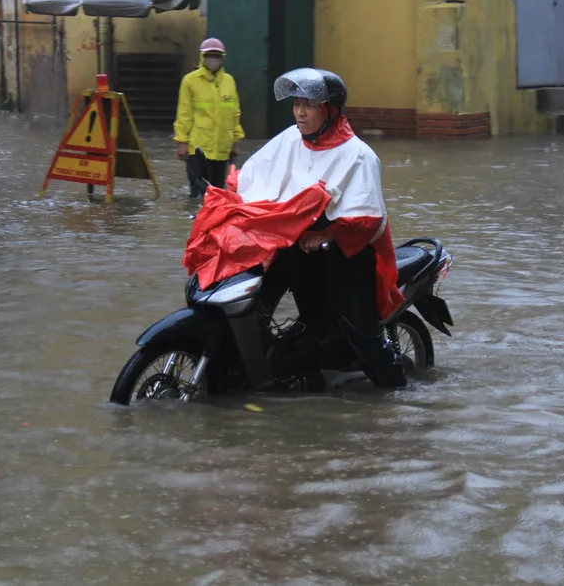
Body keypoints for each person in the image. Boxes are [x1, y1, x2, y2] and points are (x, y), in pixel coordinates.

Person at [234, 68, 408, 388]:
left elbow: (367, 219)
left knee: (361, 330)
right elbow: (253, 177)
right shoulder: (290, 139)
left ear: (329, 110)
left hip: (347, 252)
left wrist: (325, 235)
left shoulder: (357, 155)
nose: (300, 112)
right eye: (297, 103)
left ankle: (396, 394)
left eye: (309, 105)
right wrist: (226, 200)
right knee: (264, 293)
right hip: (300, 244)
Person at [173, 38, 245, 199]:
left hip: (222, 149)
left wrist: (236, 141)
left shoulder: (229, 81)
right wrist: (181, 143)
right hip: (199, 149)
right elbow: (184, 114)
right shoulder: (190, 81)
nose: (213, 59)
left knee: (218, 195)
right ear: (202, 57)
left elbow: (235, 114)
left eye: (217, 56)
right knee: (199, 195)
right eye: (209, 55)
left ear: (222, 58)